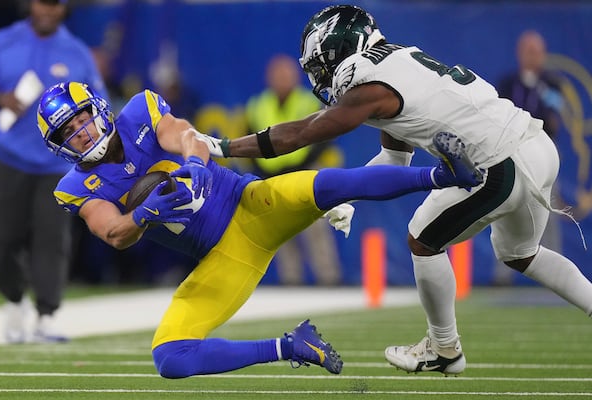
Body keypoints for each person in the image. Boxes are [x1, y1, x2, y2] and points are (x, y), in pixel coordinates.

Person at [197, 5, 592, 375]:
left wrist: (223, 147)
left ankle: (444, 348)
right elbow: (394, 161)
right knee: (521, 254)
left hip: (497, 162)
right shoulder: (397, 64)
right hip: (536, 147)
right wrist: (346, 196)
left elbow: (299, 133)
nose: (318, 77)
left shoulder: (370, 85)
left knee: (422, 240)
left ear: (342, 51)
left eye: (321, 65)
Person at [36, 81, 481, 378]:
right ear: (60, 145)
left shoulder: (138, 112)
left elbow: (187, 135)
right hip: (226, 257)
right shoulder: (75, 186)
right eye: (68, 131)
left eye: (80, 120)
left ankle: (446, 175)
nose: (80, 133)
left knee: (332, 186)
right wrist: (143, 214)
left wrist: (193, 165)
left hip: (250, 205)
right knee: (170, 357)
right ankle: (291, 347)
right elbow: (112, 232)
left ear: (97, 109)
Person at [0, 0, 107, 343]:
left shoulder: (76, 52)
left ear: (64, 9)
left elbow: (98, 103)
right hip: (6, 156)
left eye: (55, 4)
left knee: (52, 240)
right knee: (2, 238)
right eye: (42, 2)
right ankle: (14, 300)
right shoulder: (0, 42)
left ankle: (46, 316)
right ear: (30, 4)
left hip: (57, 164)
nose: (47, 10)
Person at [245, 53, 342, 285]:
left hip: (305, 172)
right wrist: (263, 172)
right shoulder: (258, 105)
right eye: (277, 75)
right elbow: (249, 140)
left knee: (315, 227)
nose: (282, 79)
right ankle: (291, 280)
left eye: (286, 74)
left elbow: (324, 138)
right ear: (269, 78)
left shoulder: (309, 101)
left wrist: (301, 165)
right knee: (282, 230)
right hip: (272, 177)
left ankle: (328, 278)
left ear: (296, 77)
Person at [494, 30, 565, 285]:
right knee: (501, 209)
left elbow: (552, 119)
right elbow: (502, 114)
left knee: (549, 213)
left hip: (543, 155)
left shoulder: (552, 83)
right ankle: (501, 275)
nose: (533, 57)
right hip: (513, 154)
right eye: (528, 51)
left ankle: (555, 275)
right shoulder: (508, 82)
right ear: (520, 53)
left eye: (537, 52)